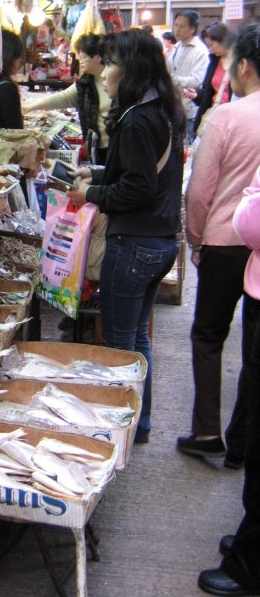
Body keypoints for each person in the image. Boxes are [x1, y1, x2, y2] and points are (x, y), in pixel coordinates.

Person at [67, 29, 186, 443]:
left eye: (111, 63)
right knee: (137, 339)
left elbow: (138, 188)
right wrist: (98, 174)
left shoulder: (137, 118)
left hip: (134, 245)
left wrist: (90, 193)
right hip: (161, 242)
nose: (104, 72)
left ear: (130, 68)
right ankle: (140, 425)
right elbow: (145, 172)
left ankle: (117, 429)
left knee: (119, 344)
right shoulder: (164, 108)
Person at [178, 25, 260, 467]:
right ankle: (244, 440)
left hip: (225, 241)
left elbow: (200, 192)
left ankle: (208, 430)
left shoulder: (228, 117)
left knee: (209, 335)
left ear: (244, 66)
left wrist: (195, 239)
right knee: (254, 351)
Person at [198, 163, 260, 597]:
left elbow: (251, 221)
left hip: (232, 250)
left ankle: (251, 562)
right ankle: (250, 541)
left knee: (208, 336)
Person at [22, 34, 111, 164]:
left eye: (84, 57)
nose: (79, 60)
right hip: (96, 146)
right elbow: (62, 98)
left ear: (98, 57)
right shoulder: (86, 82)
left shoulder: (115, 82)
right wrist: (31, 106)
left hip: (116, 147)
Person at [168, 10, 209, 142]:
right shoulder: (177, 47)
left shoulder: (200, 50)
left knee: (185, 147)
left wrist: (172, 79)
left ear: (192, 29)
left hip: (188, 109)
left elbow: (197, 81)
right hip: (173, 107)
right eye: (176, 25)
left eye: (182, 26)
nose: (177, 29)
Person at [192, 21, 235, 135]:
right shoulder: (214, 62)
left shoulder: (241, 63)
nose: (210, 49)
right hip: (214, 117)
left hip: (232, 119)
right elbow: (208, 93)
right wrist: (196, 94)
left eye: (211, 44)